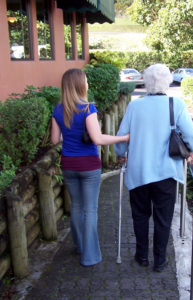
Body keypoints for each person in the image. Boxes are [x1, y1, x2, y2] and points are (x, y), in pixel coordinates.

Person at [114, 64, 193, 272]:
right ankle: (160, 260)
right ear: (168, 82)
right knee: (163, 219)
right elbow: (190, 134)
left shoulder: (135, 106)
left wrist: (120, 154)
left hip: (139, 172)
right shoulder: (176, 104)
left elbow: (121, 139)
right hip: (166, 173)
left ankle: (141, 255)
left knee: (140, 215)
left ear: (145, 81)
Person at [51, 68, 129, 267]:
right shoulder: (87, 109)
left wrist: (70, 136)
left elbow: (54, 140)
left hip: (68, 164)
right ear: (80, 84)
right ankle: (90, 256)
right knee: (90, 209)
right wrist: (124, 137)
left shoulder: (58, 110)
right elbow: (98, 138)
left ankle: (79, 247)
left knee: (76, 207)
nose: (87, 84)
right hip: (88, 165)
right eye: (85, 80)